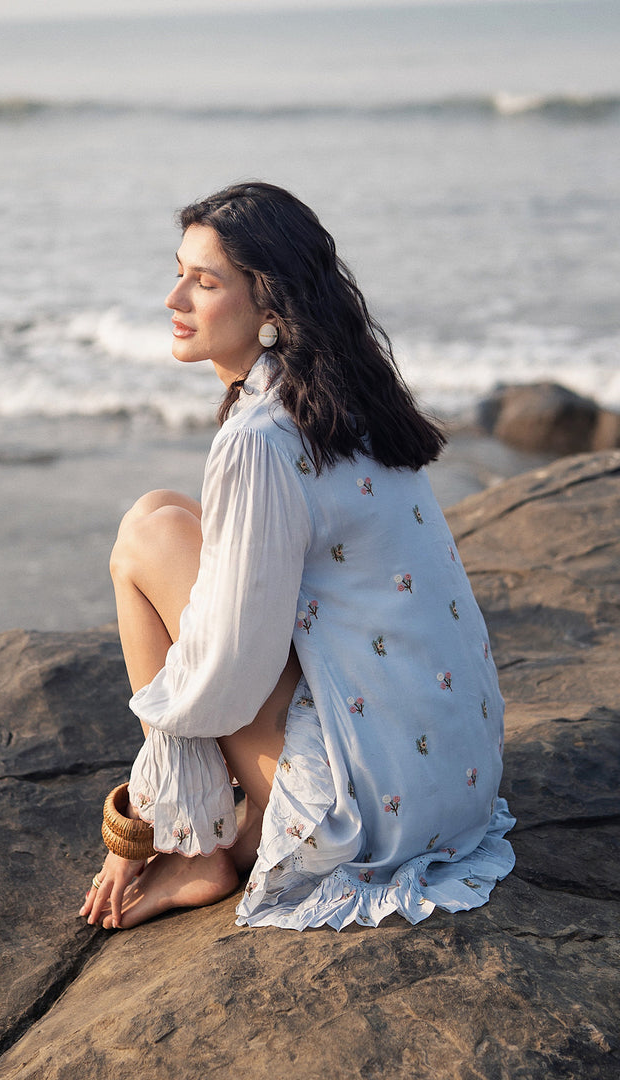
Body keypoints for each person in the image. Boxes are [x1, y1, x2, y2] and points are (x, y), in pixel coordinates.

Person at [79, 181, 515, 933]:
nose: (173, 296)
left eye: (204, 281)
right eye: (178, 270)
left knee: (145, 536)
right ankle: (215, 824)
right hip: (454, 779)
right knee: (169, 514)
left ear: (270, 307)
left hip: (368, 817)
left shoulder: (260, 437)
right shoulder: (350, 396)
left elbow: (226, 676)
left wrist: (139, 817)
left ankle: (199, 847)